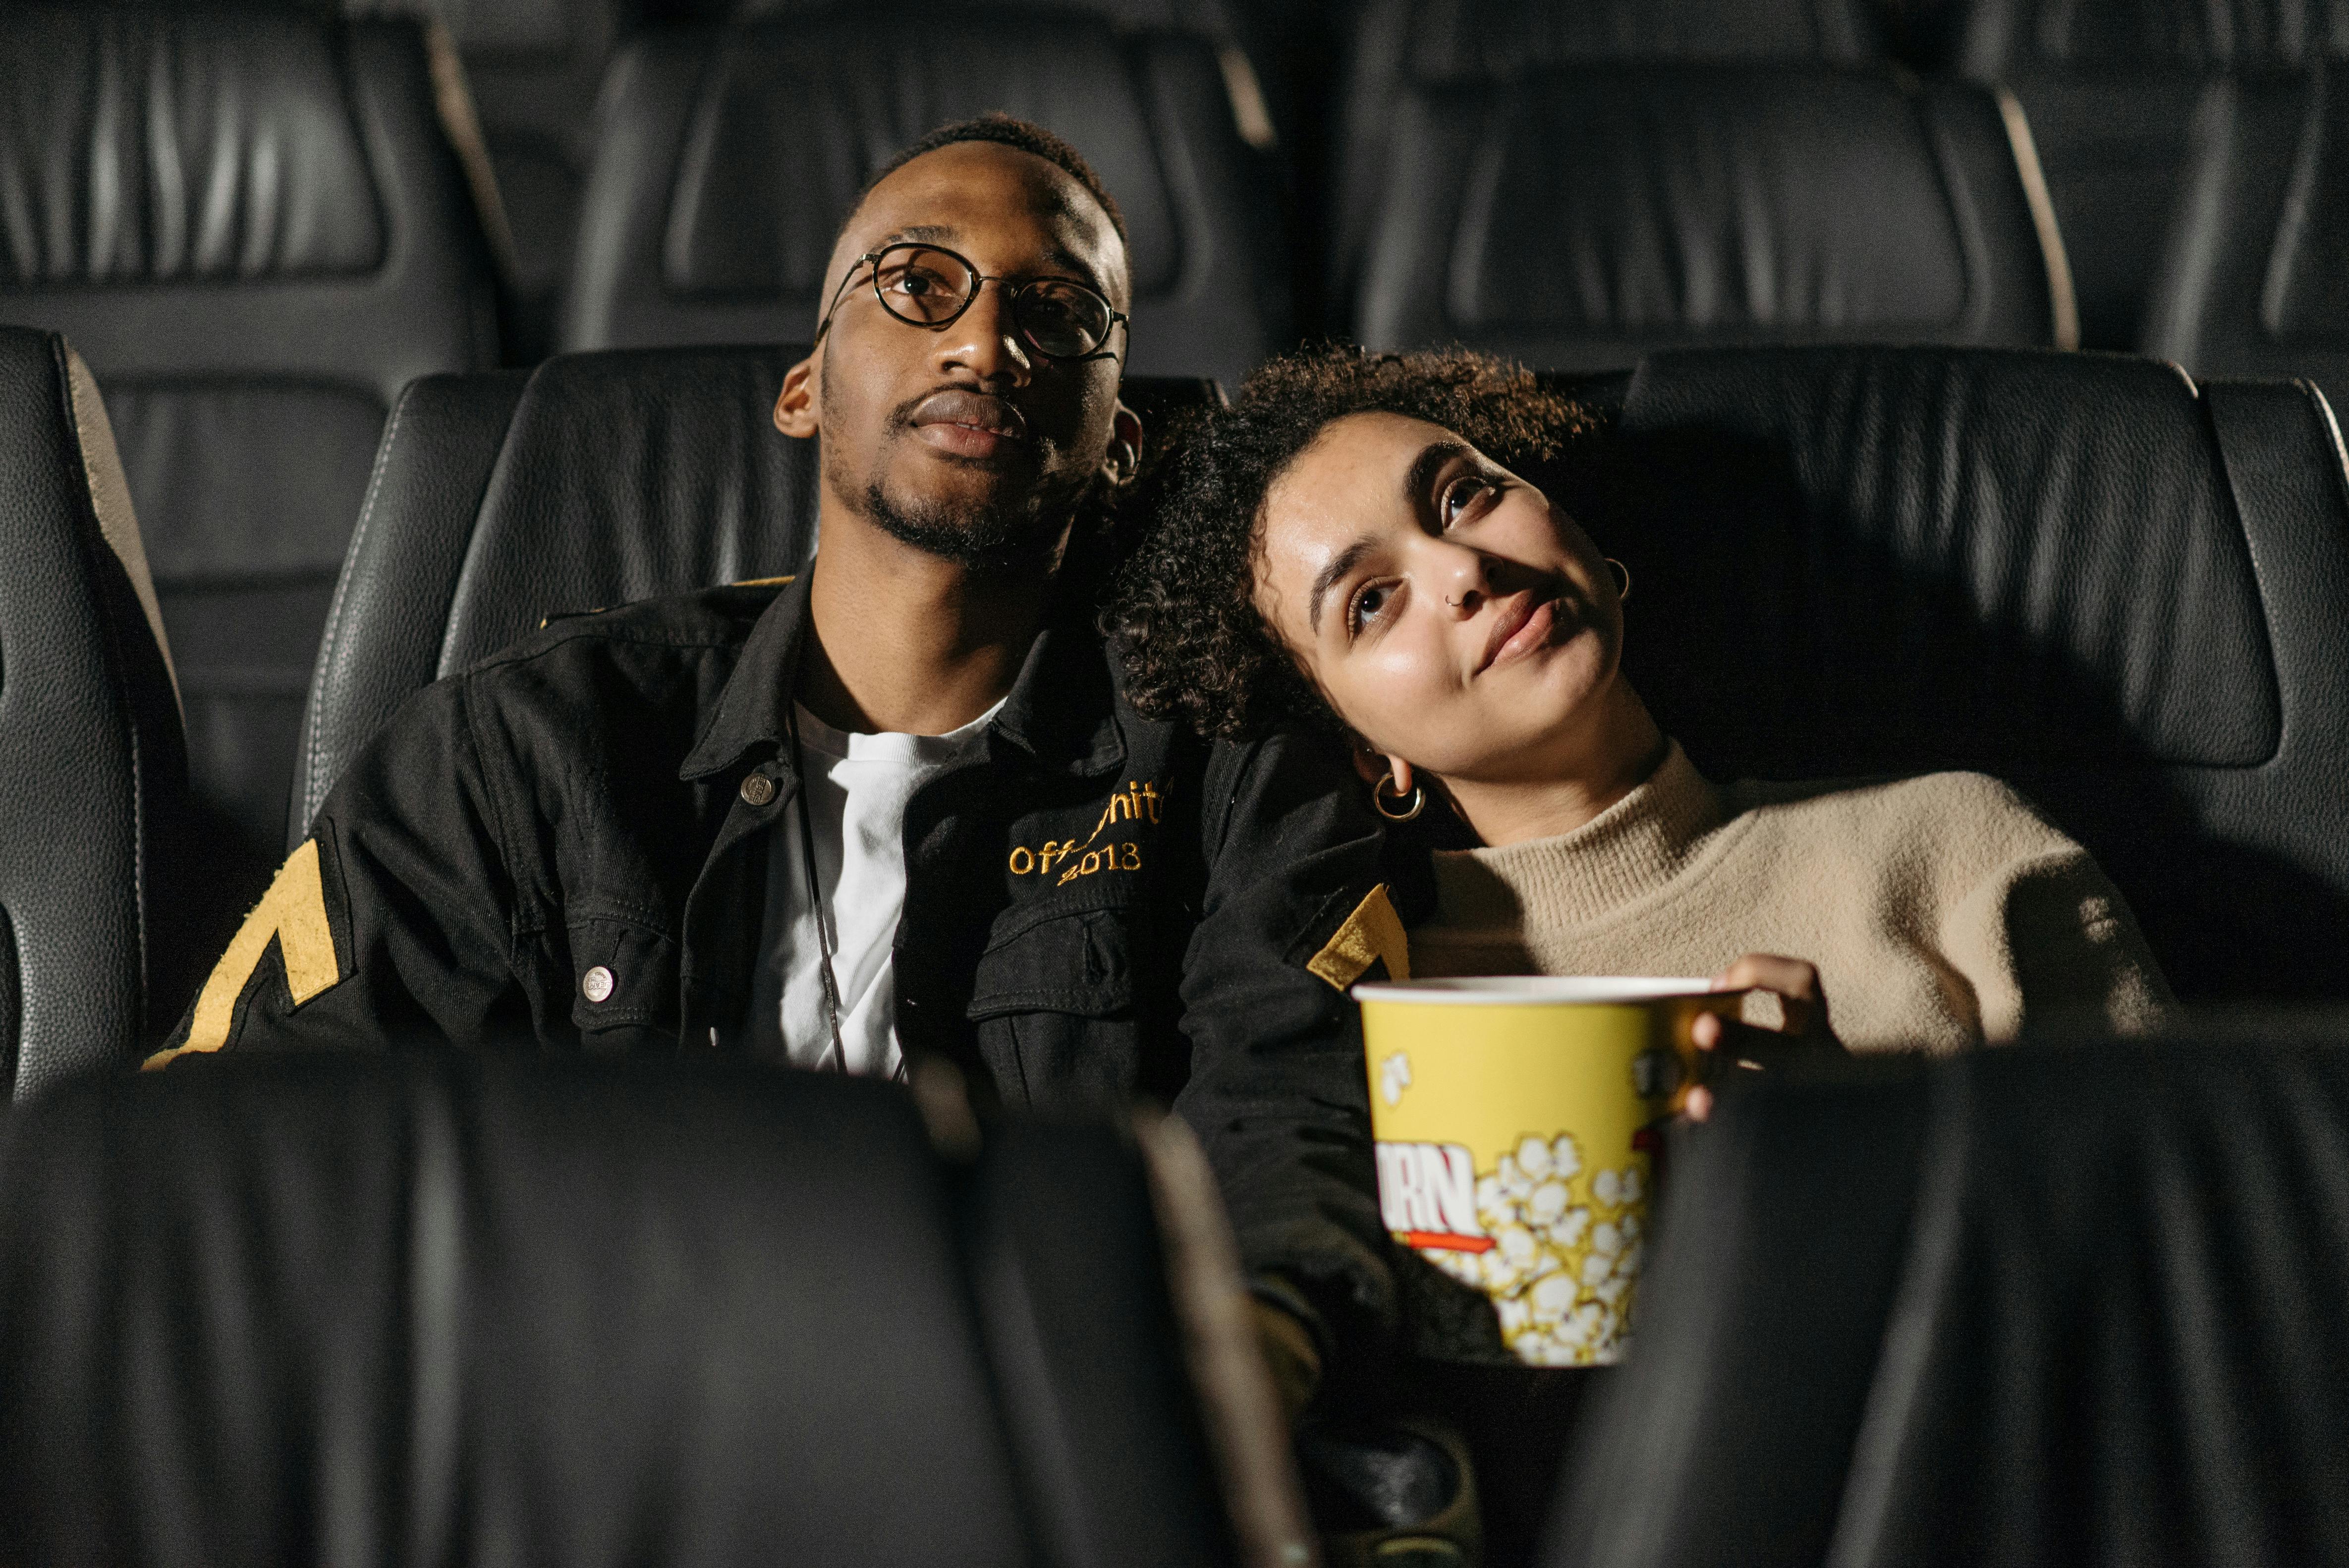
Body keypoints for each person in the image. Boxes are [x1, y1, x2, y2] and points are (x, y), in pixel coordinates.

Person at [148, 116, 1400, 1420]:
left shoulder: (1225, 761)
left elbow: (1296, 1118)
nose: (984, 345)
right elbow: (240, 1143)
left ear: (1119, 441)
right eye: (919, 283)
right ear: (805, 387)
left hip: (1042, 1436)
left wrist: (1231, 1384)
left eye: (1059, 314)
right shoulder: (525, 745)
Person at [1112, 345, 2174, 1080]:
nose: (1463, 569)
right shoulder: (1360, 1014)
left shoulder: (1955, 851)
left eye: (1463, 496)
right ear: (1364, 752)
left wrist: (1850, 1145)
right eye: (1370, 602)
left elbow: (2168, 1255)